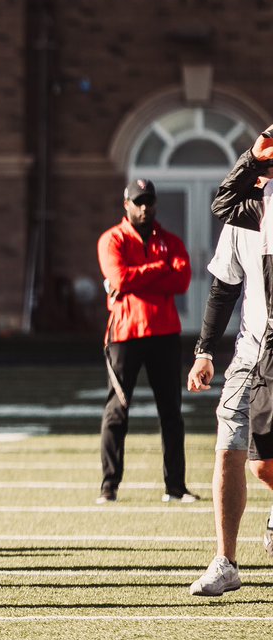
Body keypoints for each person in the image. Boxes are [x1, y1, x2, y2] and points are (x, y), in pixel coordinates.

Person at [186, 223, 273, 595]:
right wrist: (204, 351)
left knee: (263, 464)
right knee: (227, 448)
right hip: (249, 354)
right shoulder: (242, 217)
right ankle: (226, 561)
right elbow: (224, 287)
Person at [96, 179, 193, 504]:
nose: (144, 207)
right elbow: (119, 278)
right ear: (126, 204)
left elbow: (181, 280)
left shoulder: (171, 240)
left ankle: (175, 487)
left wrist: (138, 277)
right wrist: (158, 270)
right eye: (138, 201)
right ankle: (109, 486)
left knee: (171, 412)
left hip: (164, 332)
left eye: (148, 201)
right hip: (125, 334)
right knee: (117, 410)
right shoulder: (112, 239)